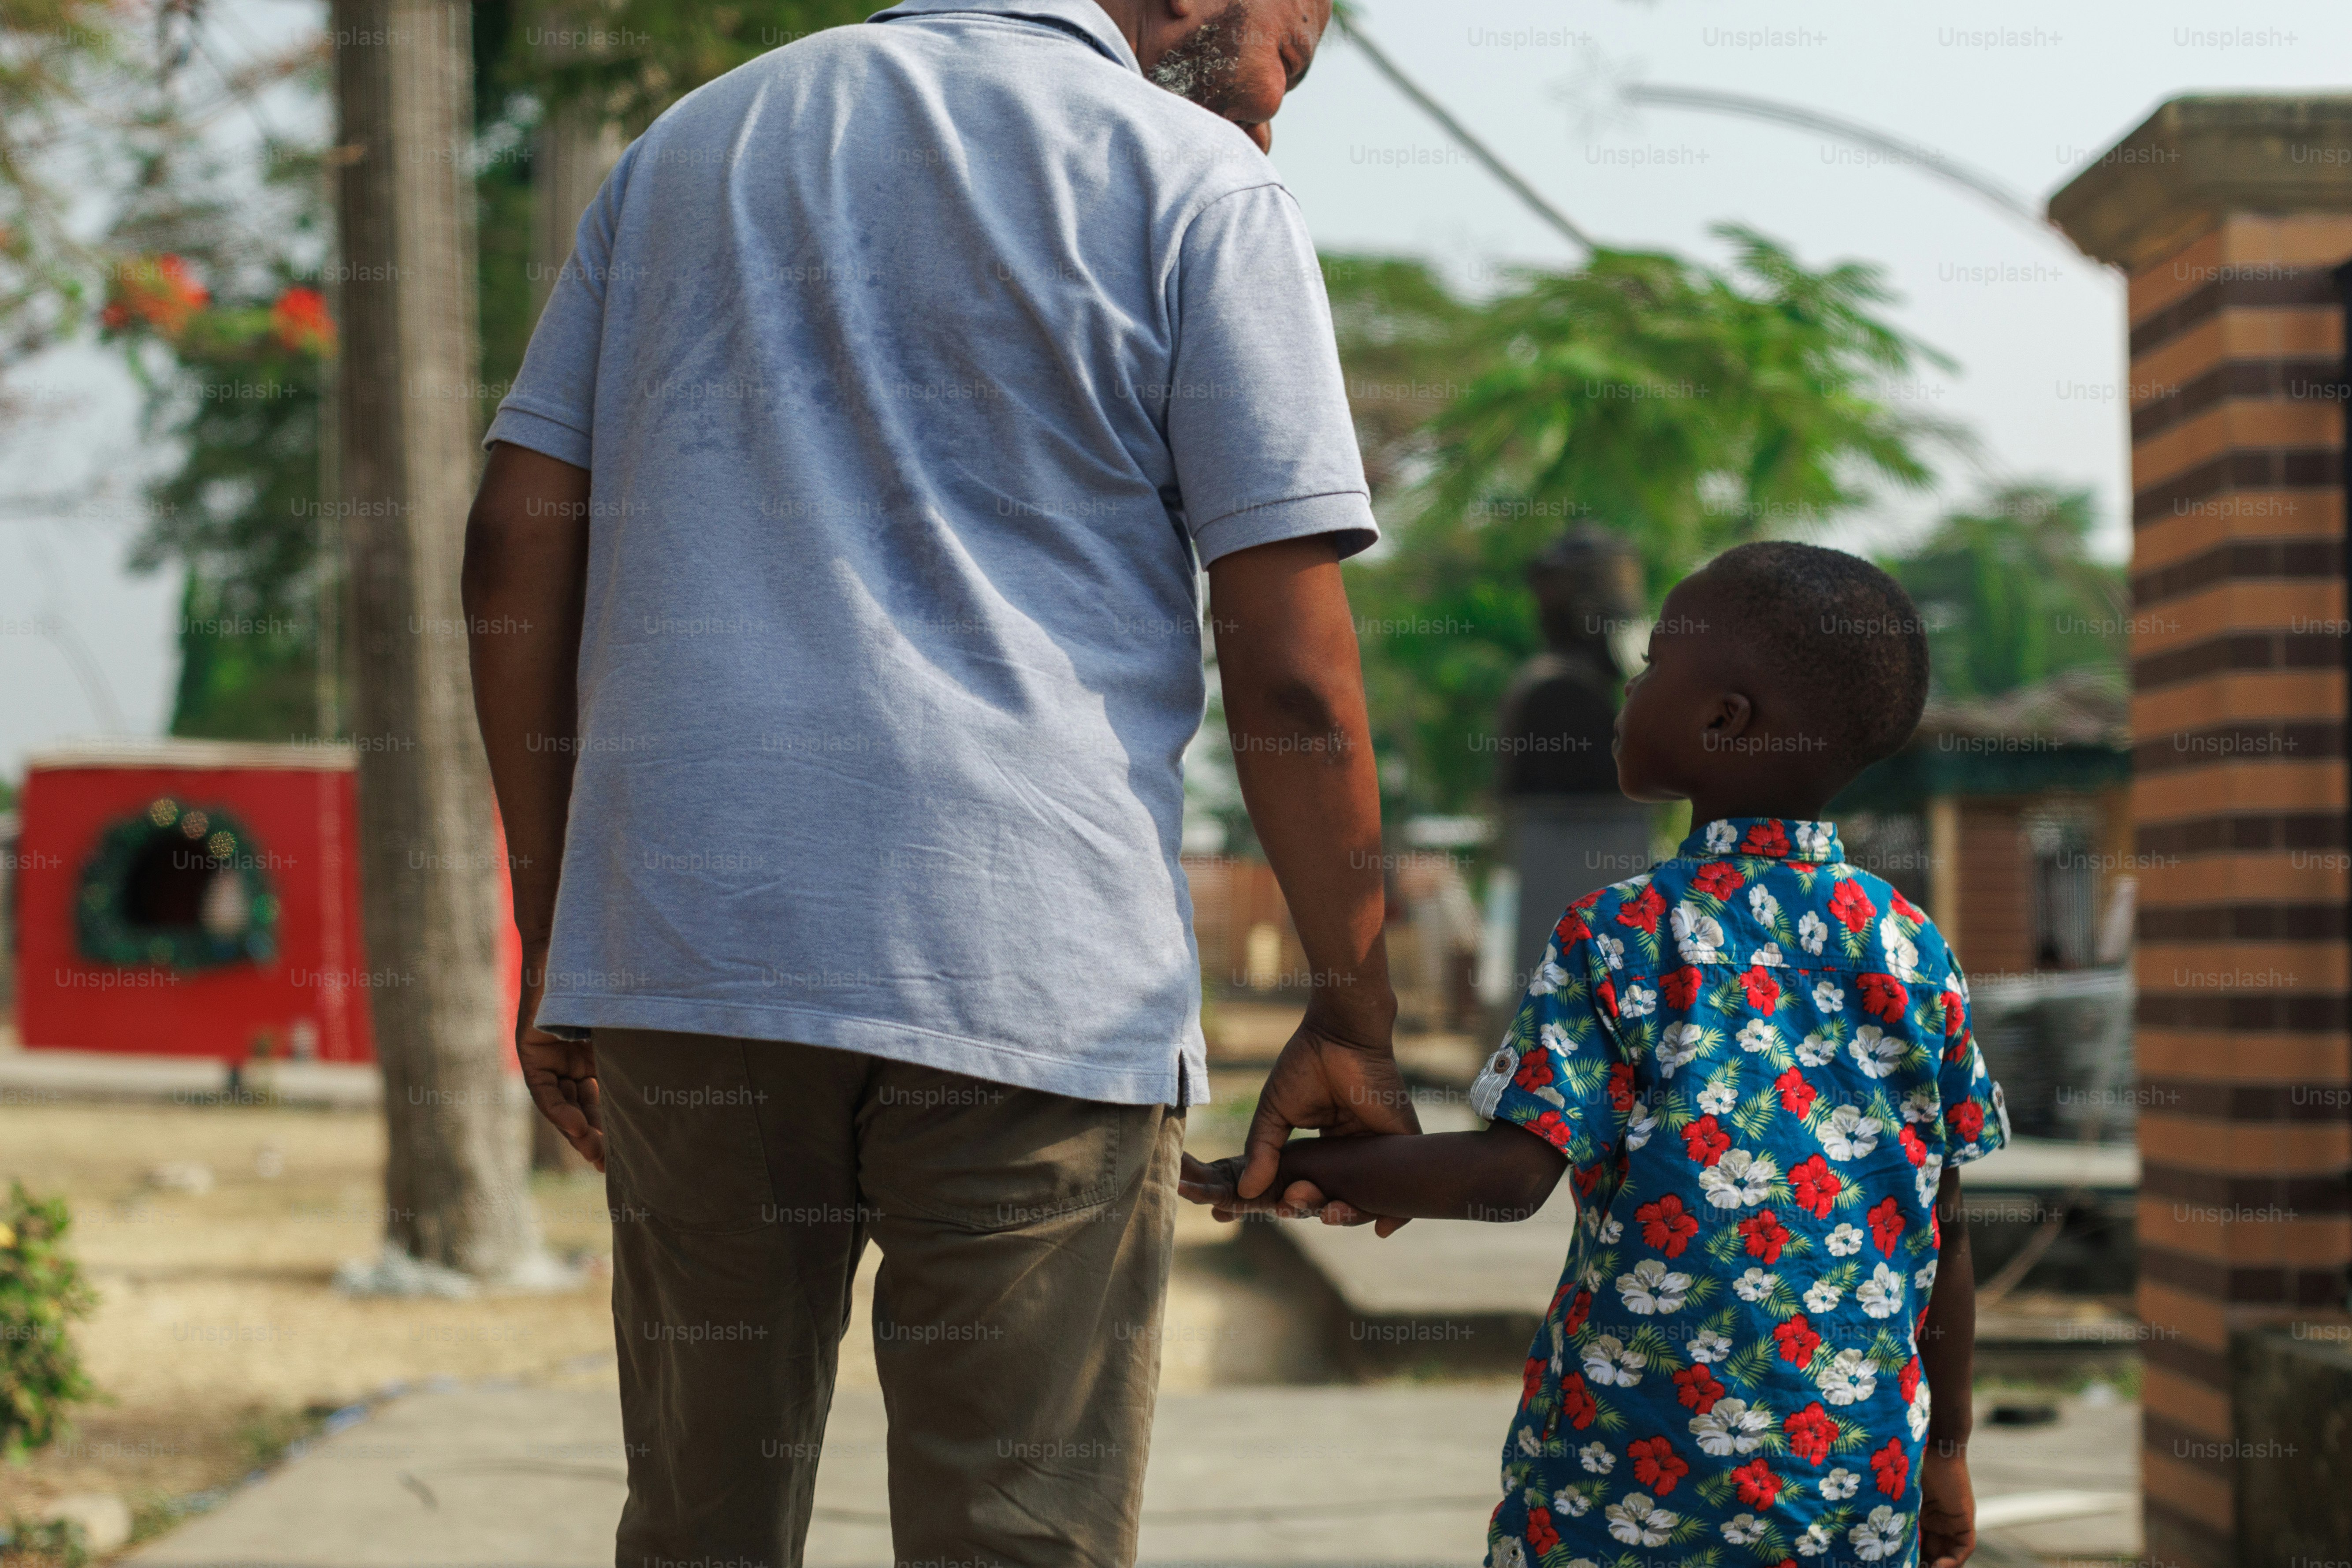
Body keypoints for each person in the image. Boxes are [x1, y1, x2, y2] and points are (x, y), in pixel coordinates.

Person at [461, 2, 1417, 1565]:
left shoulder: (694, 145)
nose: (1270, 115)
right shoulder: (1195, 187)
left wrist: (565, 927)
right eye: (1287, 62)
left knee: (700, 1521)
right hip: (1033, 971)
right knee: (1016, 1532)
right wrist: (1353, 1012)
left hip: (696, 952)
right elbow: (1294, 671)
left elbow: (512, 547)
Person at [1185, 542, 2009, 1568]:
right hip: (1848, 1492)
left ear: (1723, 720)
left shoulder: (1619, 935)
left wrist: (1296, 1170)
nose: (1629, 683)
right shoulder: (1912, 948)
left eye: (1655, 662)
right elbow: (1945, 1228)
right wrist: (1949, 1451)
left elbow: (1508, 1178)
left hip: (1627, 1483)